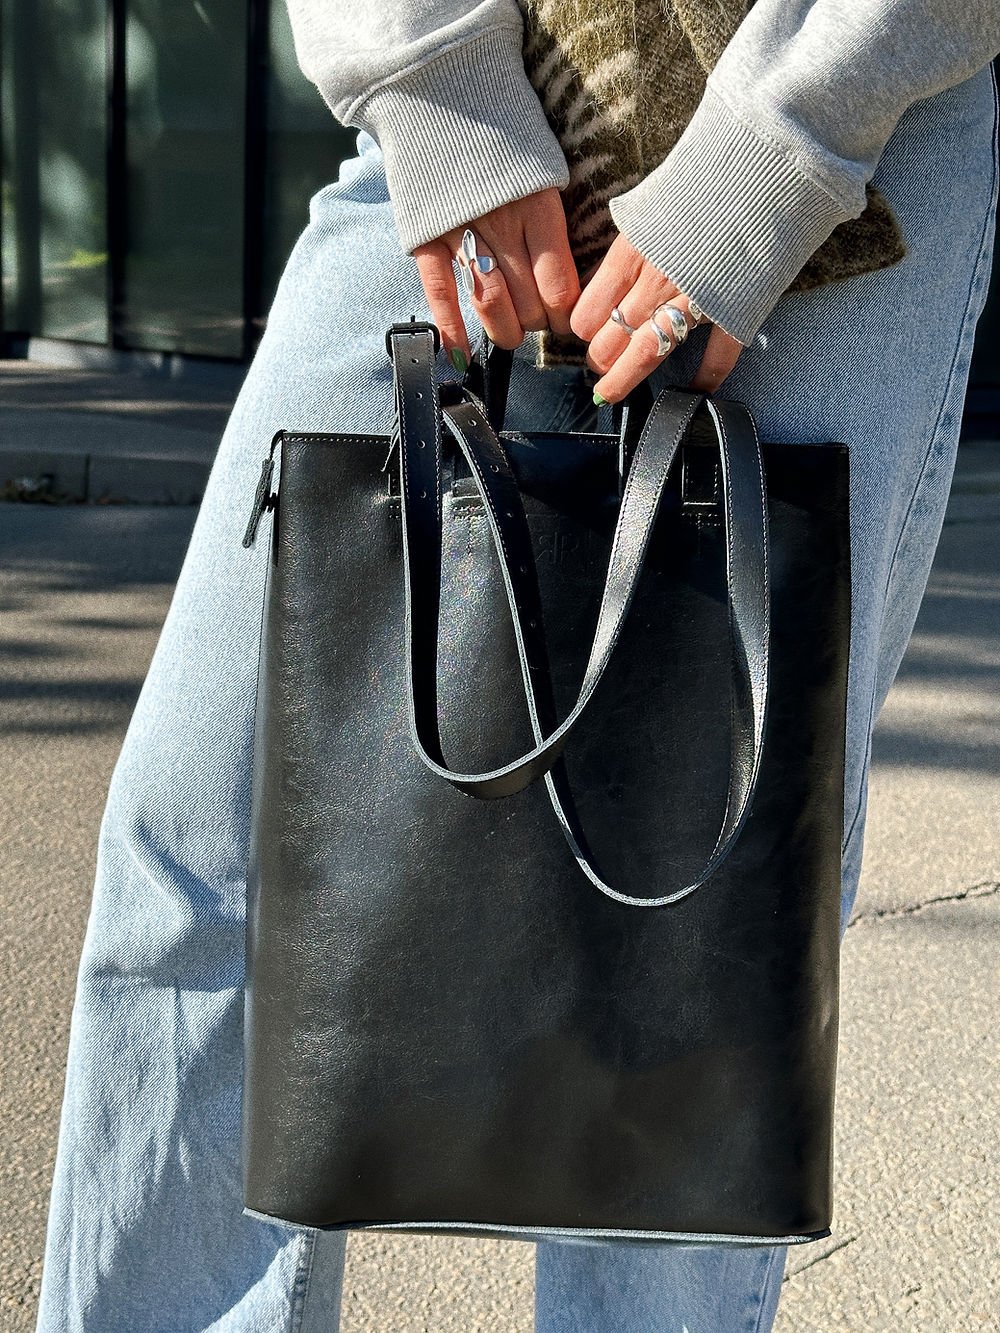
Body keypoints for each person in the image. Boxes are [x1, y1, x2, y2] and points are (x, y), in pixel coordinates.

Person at [35, 2, 999, 1330]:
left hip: (836, 130)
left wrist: (779, 148)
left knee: (692, 936)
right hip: (468, 89)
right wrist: (434, 82)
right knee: (207, 846)